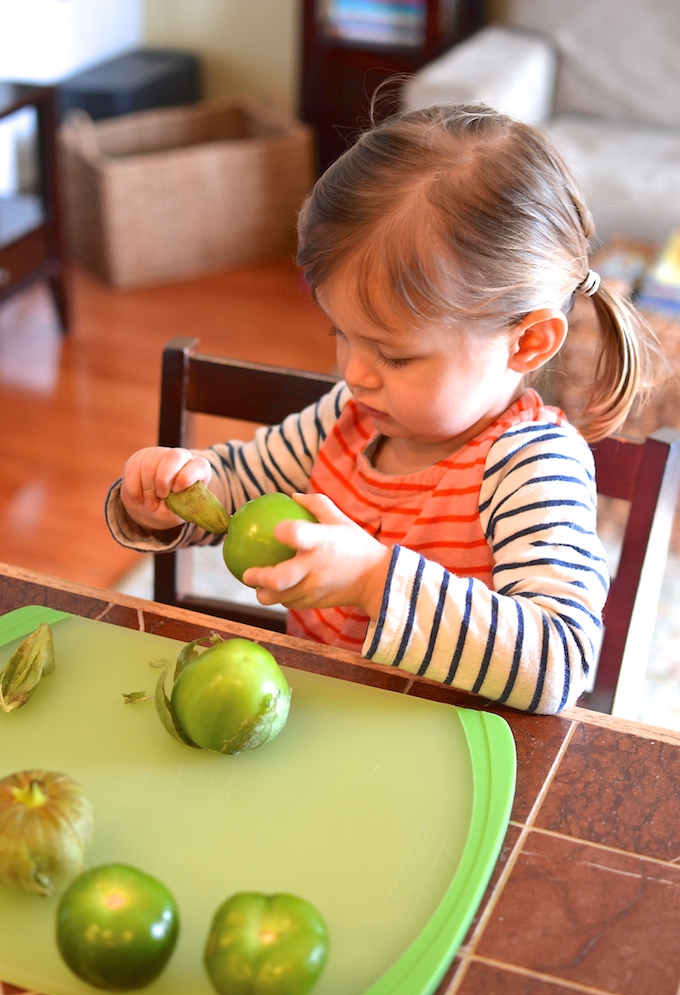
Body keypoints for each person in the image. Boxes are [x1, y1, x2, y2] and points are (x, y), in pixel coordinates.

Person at [106, 102, 660, 714]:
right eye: (339, 334)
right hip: (318, 711)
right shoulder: (344, 420)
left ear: (526, 342)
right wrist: (173, 496)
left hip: (451, 743)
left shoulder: (531, 466)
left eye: (394, 357)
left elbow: (561, 661)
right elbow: (237, 489)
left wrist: (375, 581)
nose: (354, 374)